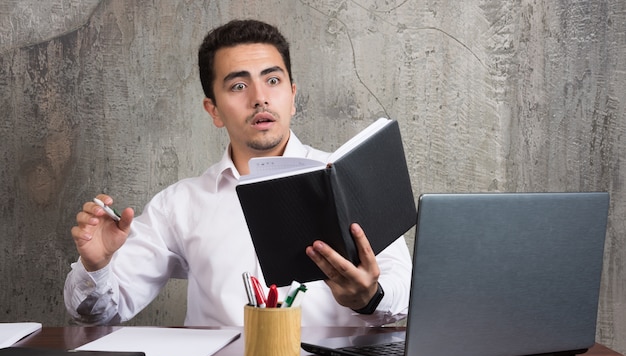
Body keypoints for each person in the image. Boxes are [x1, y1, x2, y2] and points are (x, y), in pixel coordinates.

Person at [64, 19, 412, 327]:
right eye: (238, 86)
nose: (260, 98)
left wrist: (368, 298)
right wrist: (96, 265)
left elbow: (403, 291)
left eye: (272, 80)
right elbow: (99, 313)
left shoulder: (352, 179)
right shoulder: (180, 205)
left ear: (292, 96)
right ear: (213, 110)